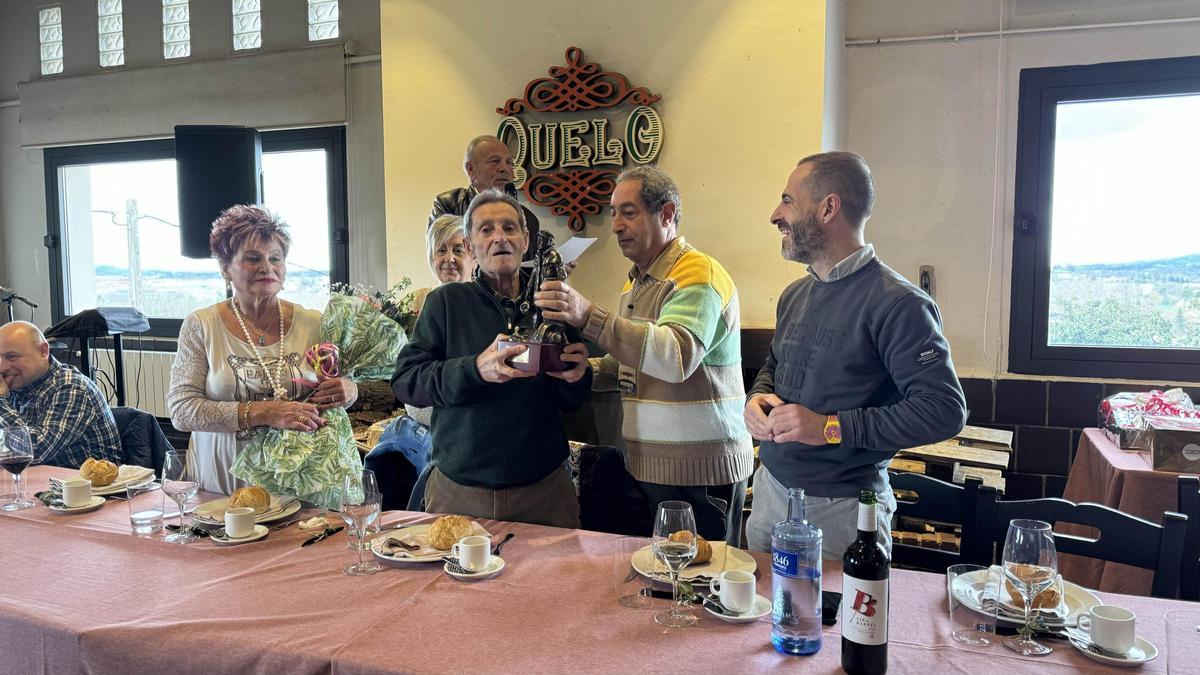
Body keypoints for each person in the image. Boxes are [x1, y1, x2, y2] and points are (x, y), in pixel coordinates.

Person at [743, 151, 967, 559]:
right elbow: (774, 367)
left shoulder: (899, 304)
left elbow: (945, 410)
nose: (776, 214)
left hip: (842, 513)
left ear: (829, 207)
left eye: (788, 201)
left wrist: (829, 427)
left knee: (836, 626)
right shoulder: (795, 295)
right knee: (758, 622)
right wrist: (755, 399)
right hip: (769, 493)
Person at [533, 166, 754, 542]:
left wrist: (589, 316)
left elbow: (675, 356)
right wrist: (587, 369)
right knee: (663, 588)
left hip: (698, 473)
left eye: (629, 212)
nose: (616, 225)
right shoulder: (635, 280)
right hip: (651, 467)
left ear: (666, 214)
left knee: (699, 588)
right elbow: (634, 364)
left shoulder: (698, 274)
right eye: (614, 212)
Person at [392, 189, 591, 528]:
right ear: (470, 246)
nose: (500, 237)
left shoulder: (553, 298)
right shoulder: (446, 303)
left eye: (509, 228)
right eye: (486, 230)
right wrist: (474, 369)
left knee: (552, 582)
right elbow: (407, 382)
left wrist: (577, 373)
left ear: (525, 240)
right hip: (459, 493)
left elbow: (573, 399)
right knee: (450, 583)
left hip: (544, 492)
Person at [166, 205, 360, 496]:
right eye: (252, 258)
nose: (267, 267)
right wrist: (265, 412)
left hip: (296, 484)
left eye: (275, 258)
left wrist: (348, 390)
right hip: (224, 484)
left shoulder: (313, 323)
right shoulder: (201, 325)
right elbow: (182, 411)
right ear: (225, 268)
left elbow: (334, 395)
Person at [366, 214, 475, 510]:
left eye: (458, 250)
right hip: (427, 420)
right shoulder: (422, 301)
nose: (449, 258)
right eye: (441, 250)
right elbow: (411, 385)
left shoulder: (483, 307)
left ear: (474, 256)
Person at [0, 321, 121, 468]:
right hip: (37, 483)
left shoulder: (71, 388)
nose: (2, 366)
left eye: (11, 357)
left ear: (43, 351)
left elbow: (35, 451)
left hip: (85, 488)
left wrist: (1, 402)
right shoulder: (15, 385)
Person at [428, 135, 541, 262]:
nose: (505, 169)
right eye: (494, 161)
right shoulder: (449, 204)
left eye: (509, 162)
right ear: (471, 169)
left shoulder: (528, 219)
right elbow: (443, 259)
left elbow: (529, 273)